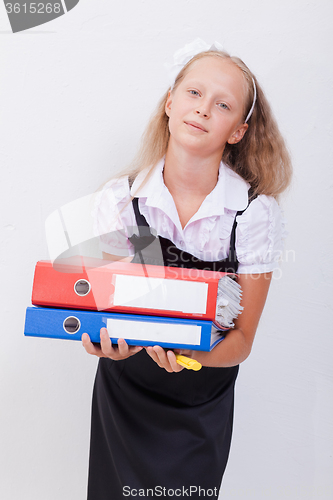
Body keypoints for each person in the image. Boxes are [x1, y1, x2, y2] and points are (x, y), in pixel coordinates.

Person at [81, 39, 292, 499]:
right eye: (194, 93)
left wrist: (188, 356)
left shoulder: (253, 215)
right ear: (169, 104)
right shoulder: (120, 201)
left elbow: (240, 342)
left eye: (222, 104)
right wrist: (105, 344)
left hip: (201, 401)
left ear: (237, 130)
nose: (202, 110)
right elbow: (105, 315)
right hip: (126, 394)